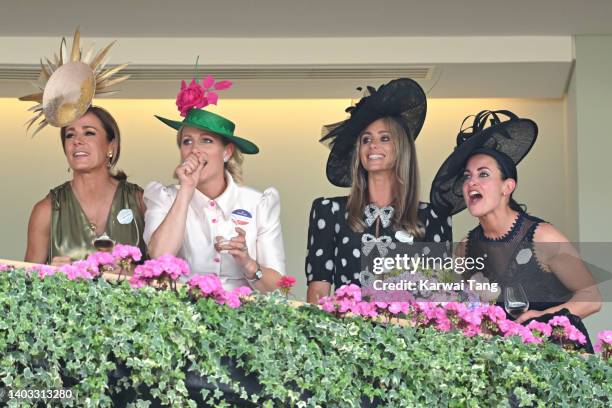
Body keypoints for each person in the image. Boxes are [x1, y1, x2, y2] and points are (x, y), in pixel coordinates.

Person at [430, 110, 601, 333]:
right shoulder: (465, 248)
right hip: (502, 361)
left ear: (507, 187)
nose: (472, 182)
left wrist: (544, 318)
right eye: (467, 176)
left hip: (557, 355)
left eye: (483, 174)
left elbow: (592, 298)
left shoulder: (543, 237)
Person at [306, 78, 453, 304]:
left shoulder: (432, 217)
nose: (373, 145)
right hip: (345, 334)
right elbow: (318, 292)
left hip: (407, 336)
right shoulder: (329, 211)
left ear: (401, 148)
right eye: (366, 140)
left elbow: (436, 300)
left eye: (384, 138)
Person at [143, 76, 285, 292]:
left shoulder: (258, 203)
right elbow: (159, 257)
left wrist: (248, 263)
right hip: (182, 315)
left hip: (246, 317)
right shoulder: (164, 197)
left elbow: (277, 287)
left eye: (206, 140)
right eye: (187, 141)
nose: (194, 149)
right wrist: (186, 189)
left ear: (226, 152)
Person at [23, 30, 144, 265]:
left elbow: (164, 271)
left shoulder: (139, 201)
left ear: (112, 144)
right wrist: (51, 274)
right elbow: (25, 284)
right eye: (70, 135)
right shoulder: (46, 210)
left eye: (89, 132)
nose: (77, 141)